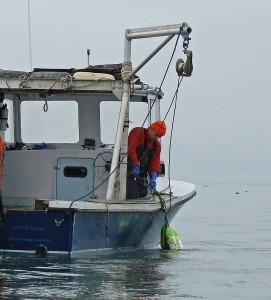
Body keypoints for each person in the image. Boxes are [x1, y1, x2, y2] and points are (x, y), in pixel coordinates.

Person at [126, 120, 166, 199]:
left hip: (141, 176)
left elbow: (154, 163)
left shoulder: (156, 146)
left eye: (159, 136)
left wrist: (153, 176)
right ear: (150, 129)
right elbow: (131, 149)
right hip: (128, 172)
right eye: (156, 134)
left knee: (143, 195)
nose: (156, 137)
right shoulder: (137, 132)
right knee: (133, 195)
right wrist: (135, 164)